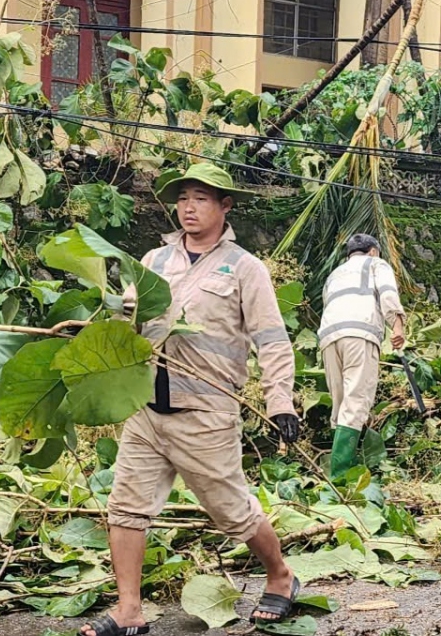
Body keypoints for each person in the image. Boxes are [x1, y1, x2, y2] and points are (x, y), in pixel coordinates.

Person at [80, 163, 301, 636]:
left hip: (206, 413)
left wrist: (280, 399)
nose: (188, 207)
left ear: (225, 207)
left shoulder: (246, 268)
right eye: (183, 198)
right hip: (146, 409)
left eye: (201, 198)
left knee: (233, 513)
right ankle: (129, 610)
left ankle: (280, 577)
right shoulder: (154, 262)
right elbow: (128, 326)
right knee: (126, 507)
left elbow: (272, 339)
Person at [318, 233, 406, 480]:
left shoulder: (334, 275)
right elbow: (388, 293)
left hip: (329, 337)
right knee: (356, 401)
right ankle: (340, 477)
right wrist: (397, 326)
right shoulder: (376, 264)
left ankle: (338, 470)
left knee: (341, 403)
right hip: (360, 333)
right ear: (374, 251)